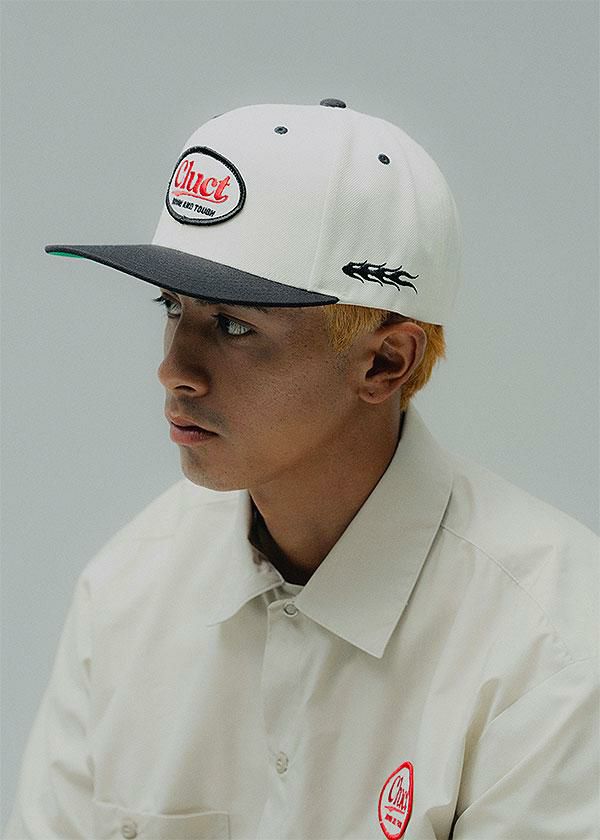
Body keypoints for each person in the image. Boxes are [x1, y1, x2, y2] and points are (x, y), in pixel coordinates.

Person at [5, 99, 598, 840]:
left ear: (384, 361)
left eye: (233, 325)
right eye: (171, 307)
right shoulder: (128, 594)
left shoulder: (552, 641)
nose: (174, 369)